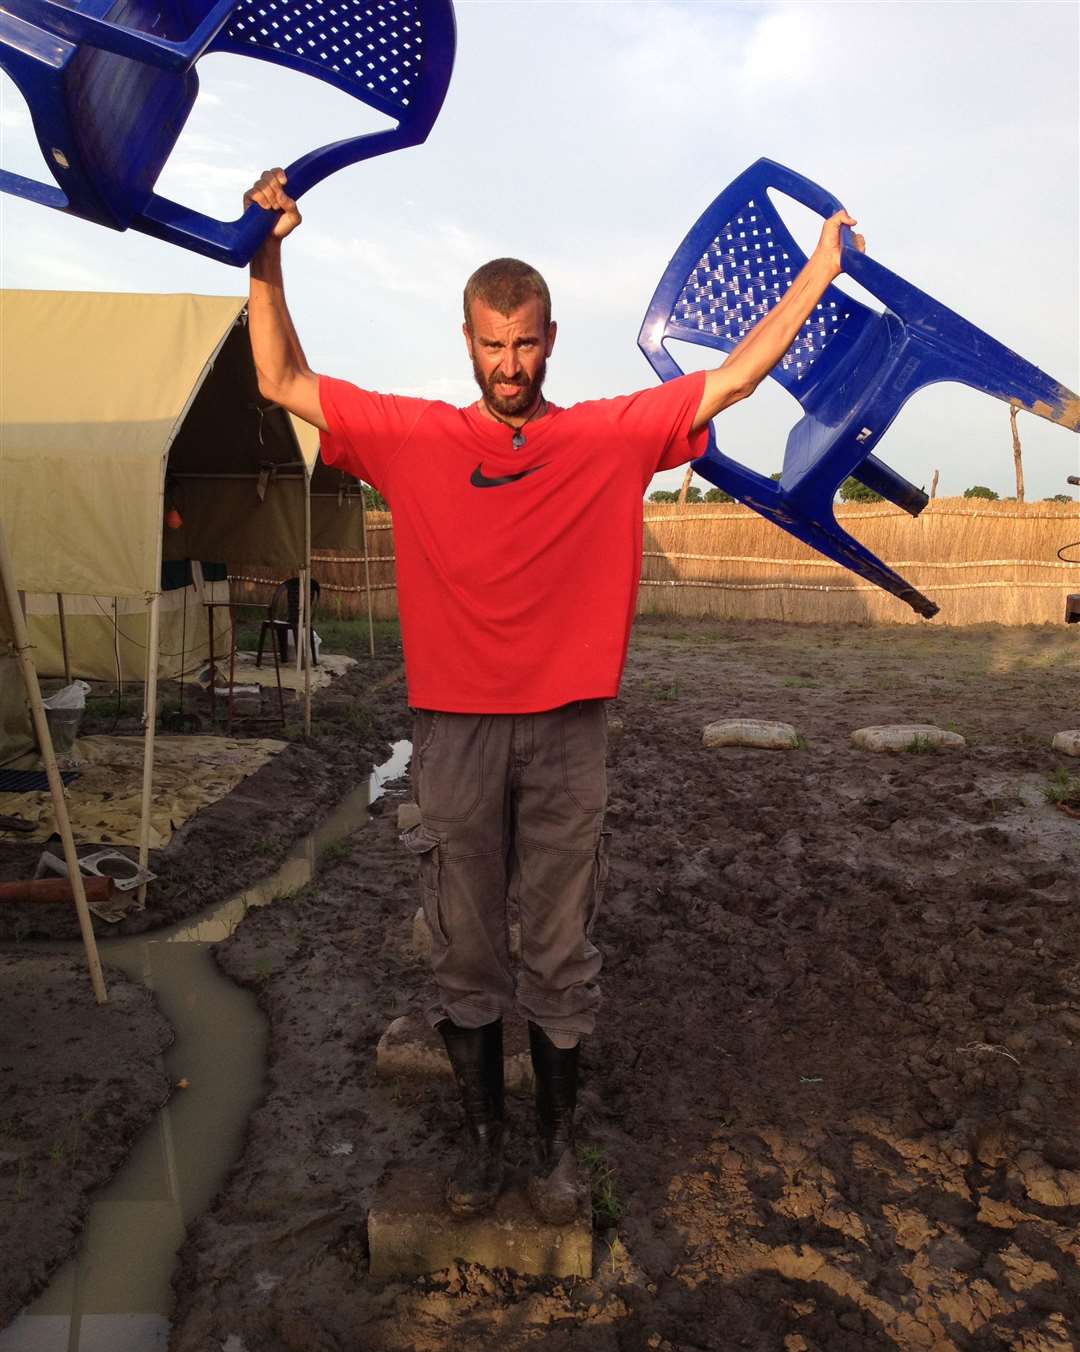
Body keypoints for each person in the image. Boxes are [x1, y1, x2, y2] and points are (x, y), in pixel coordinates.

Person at [244, 168, 863, 1225]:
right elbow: (282, 376)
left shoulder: (607, 438)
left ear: (551, 338)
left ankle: (559, 1151)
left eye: (526, 343)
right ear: (467, 341)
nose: (509, 365)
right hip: (454, 731)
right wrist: (266, 251)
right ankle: (487, 1147)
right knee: (468, 940)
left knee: (560, 939)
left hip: (570, 728)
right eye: (492, 344)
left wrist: (818, 272)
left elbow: (733, 380)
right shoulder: (415, 437)